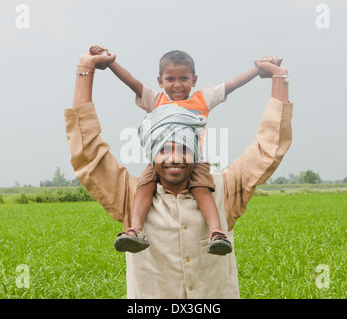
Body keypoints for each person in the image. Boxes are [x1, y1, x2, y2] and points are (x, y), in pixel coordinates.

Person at [65, 50, 292, 298]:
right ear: (151, 154)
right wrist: (85, 69)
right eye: (163, 149)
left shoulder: (224, 192)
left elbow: (267, 148)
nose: (174, 158)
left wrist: (279, 78)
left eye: (184, 148)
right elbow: (87, 152)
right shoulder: (130, 195)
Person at [89, 45, 281, 255]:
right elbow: (131, 82)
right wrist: (110, 62)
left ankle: (217, 233)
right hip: (160, 162)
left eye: (184, 79)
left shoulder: (202, 99)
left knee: (202, 189)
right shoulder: (156, 100)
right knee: (144, 186)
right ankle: (134, 230)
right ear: (160, 81)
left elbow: (232, 85)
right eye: (170, 79)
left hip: (193, 162)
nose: (178, 85)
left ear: (194, 80)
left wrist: (259, 70)